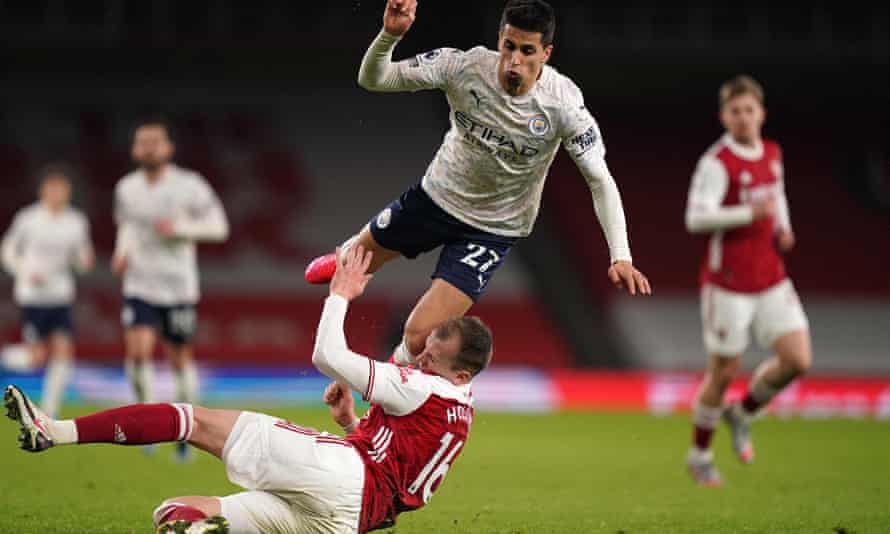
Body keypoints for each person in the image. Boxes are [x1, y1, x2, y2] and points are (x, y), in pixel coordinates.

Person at [5, 244, 492, 534]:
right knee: (175, 514)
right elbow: (396, 473)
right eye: (424, 350)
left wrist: (340, 296)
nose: (420, 359)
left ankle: (54, 431)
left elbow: (327, 356)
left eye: (432, 358)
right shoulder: (459, 411)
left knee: (193, 420)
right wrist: (350, 421)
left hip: (342, 475)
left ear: (462, 374)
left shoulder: (422, 389)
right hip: (347, 520)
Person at [305, 0, 651, 367]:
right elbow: (374, 79)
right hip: (435, 199)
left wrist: (621, 256)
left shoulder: (563, 105)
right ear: (499, 39)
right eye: (509, 46)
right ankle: (349, 252)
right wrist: (390, 35)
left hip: (493, 230)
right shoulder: (464, 67)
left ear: (546, 53)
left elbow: (600, 181)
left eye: (527, 51)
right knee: (350, 265)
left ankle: (383, 387)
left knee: (419, 336)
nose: (514, 60)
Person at [683, 75, 812, 486]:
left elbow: (777, 195)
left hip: (771, 277)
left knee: (797, 360)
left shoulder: (772, 152)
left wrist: (784, 227)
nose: (742, 117)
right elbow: (695, 218)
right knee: (723, 372)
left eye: (749, 110)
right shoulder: (717, 162)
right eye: (735, 111)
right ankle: (700, 455)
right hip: (728, 283)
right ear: (724, 117)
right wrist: (747, 215)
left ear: (761, 114)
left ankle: (742, 414)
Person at [112, 118, 229, 460]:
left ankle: (186, 430)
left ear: (168, 148)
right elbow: (127, 227)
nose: (149, 148)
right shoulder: (126, 188)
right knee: (137, 351)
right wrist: (121, 252)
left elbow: (219, 227)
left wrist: (180, 228)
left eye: (155, 141)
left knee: (179, 359)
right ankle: (148, 424)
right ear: (135, 149)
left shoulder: (190, 185)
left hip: (177, 286)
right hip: (139, 283)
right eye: (143, 142)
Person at [0, 165, 94, 418]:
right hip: (33, 296)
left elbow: (81, 256)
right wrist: (24, 271)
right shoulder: (28, 218)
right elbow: (7, 249)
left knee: (63, 350)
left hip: (61, 295)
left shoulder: (76, 221)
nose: (56, 194)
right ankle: (4, 357)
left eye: (61, 190)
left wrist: (83, 262)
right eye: (52, 189)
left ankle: (50, 410)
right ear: (43, 192)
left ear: (68, 192)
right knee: (37, 357)